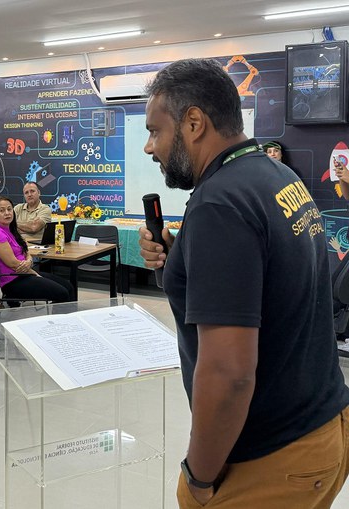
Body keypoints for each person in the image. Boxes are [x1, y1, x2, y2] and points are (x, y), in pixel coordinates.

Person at [138, 58, 349, 508]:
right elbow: (272, 287)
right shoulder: (276, 176)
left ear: (194, 122)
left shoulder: (219, 204)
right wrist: (184, 261)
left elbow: (230, 373)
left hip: (272, 454)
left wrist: (198, 475)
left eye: (156, 131)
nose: (149, 147)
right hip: (321, 423)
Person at [0, 196, 73, 303]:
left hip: (25, 273)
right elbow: (13, 264)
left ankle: (66, 319)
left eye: (9, 209)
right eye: (2, 210)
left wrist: (29, 261)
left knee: (68, 287)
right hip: (12, 280)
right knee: (62, 293)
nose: (7, 213)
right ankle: (56, 319)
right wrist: (34, 273)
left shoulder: (11, 229)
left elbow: (26, 251)